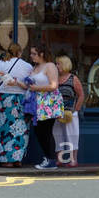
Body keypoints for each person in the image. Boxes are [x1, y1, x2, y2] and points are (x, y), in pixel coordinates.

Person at [20, 43, 64, 171]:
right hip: (38, 104)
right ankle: (48, 157)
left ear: (42, 54)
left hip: (49, 103)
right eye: (31, 53)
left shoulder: (50, 66)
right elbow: (28, 86)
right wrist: (15, 82)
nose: (31, 56)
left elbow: (54, 85)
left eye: (34, 53)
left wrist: (36, 88)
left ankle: (51, 160)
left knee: (46, 132)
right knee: (39, 132)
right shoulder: (35, 67)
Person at [0, 42, 33, 166]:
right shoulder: (27, 66)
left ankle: (5, 160)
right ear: (20, 52)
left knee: (2, 129)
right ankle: (17, 159)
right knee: (20, 129)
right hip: (20, 99)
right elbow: (30, 84)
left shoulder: (0, 64)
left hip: (2, 99)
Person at [53, 54, 85, 166]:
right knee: (57, 135)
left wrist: (75, 110)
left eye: (58, 64)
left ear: (65, 65)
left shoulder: (73, 79)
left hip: (70, 113)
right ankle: (60, 159)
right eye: (56, 64)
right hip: (57, 113)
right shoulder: (55, 78)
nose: (56, 66)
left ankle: (73, 160)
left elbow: (81, 95)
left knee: (72, 135)